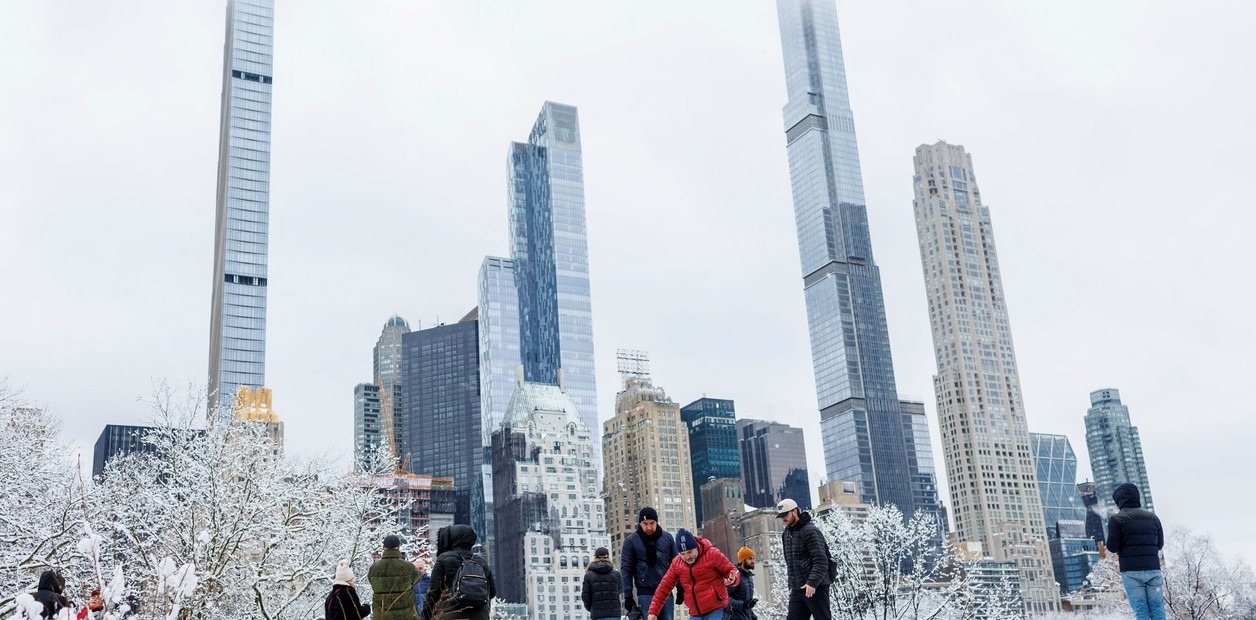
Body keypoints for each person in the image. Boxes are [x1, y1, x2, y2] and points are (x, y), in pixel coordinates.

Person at [646, 529, 738, 620]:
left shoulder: (712, 554)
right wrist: (653, 611)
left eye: (690, 552)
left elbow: (732, 570)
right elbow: (664, 587)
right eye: (682, 553)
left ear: (696, 546)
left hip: (716, 609)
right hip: (695, 614)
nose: (687, 557)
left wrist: (732, 578)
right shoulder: (676, 564)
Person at [1107, 483, 1165, 620]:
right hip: (1153, 570)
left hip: (1131, 572)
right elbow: (1160, 544)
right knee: (1158, 609)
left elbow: (1112, 547)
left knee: (1141, 611)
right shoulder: (1153, 518)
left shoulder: (1117, 520)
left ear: (1119, 500)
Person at [422, 524, 496, 620]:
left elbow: (433, 592)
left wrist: (425, 616)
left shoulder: (444, 558)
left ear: (454, 538)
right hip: (479, 615)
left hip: (450, 614)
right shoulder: (481, 561)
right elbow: (492, 592)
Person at [777, 499, 832, 620]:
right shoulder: (786, 534)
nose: (783, 519)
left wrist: (812, 583)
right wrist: (791, 586)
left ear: (795, 511)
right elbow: (789, 562)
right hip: (797, 589)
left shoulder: (811, 531)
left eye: (785, 514)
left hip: (816, 587)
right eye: (781, 516)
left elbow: (821, 560)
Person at [621, 507, 677, 620]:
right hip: (645, 592)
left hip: (666, 591)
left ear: (656, 522)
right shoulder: (631, 541)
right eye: (645, 523)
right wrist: (628, 596)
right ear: (640, 523)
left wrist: (681, 587)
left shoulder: (667, 538)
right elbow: (626, 569)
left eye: (652, 523)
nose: (649, 527)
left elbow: (676, 565)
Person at [368, 535, 420, 620]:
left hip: (381, 615)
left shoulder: (374, 568)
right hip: (405, 615)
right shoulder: (409, 567)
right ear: (399, 547)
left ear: (383, 547)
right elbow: (418, 579)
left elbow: (371, 582)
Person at [582, 547, 622, 620]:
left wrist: (591, 609)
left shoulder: (588, 575)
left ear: (595, 557)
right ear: (608, 557)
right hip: (615, 614)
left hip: (597, 615)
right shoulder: (616, 574)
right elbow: (620, 590)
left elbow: (585, 596)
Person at [726, 547, 758, 620]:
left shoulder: (749, 577)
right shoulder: (735, 577)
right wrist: (744, 604)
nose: (753, 561)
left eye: (753, 558)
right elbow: (725, 599)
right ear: (743, 561)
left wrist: (752, 616)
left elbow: (747, 603)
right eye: (750, 559)